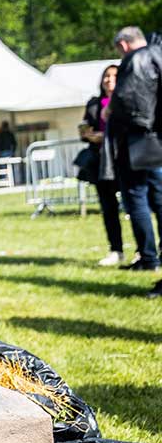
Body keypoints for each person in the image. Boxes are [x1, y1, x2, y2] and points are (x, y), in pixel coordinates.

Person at [106, 26, 162, 281]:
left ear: (124, 45)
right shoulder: (158, 54)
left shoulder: (135, 60)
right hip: (157, 140)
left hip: (139, 141)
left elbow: (126, 100)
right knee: (158, 198)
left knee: (137, 199)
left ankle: (149, 257)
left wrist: (111, 113)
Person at [80, 65, 124, 267]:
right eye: (106, 75)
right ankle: (116, 250)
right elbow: (86, 129)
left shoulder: (126, 101)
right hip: (101, 161)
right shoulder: (94, 104)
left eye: (114, 76)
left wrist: (106, 137)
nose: (109, 79)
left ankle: (145, 251)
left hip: (124, 159)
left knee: (135, 205)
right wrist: (89, 135)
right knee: (108, 208)